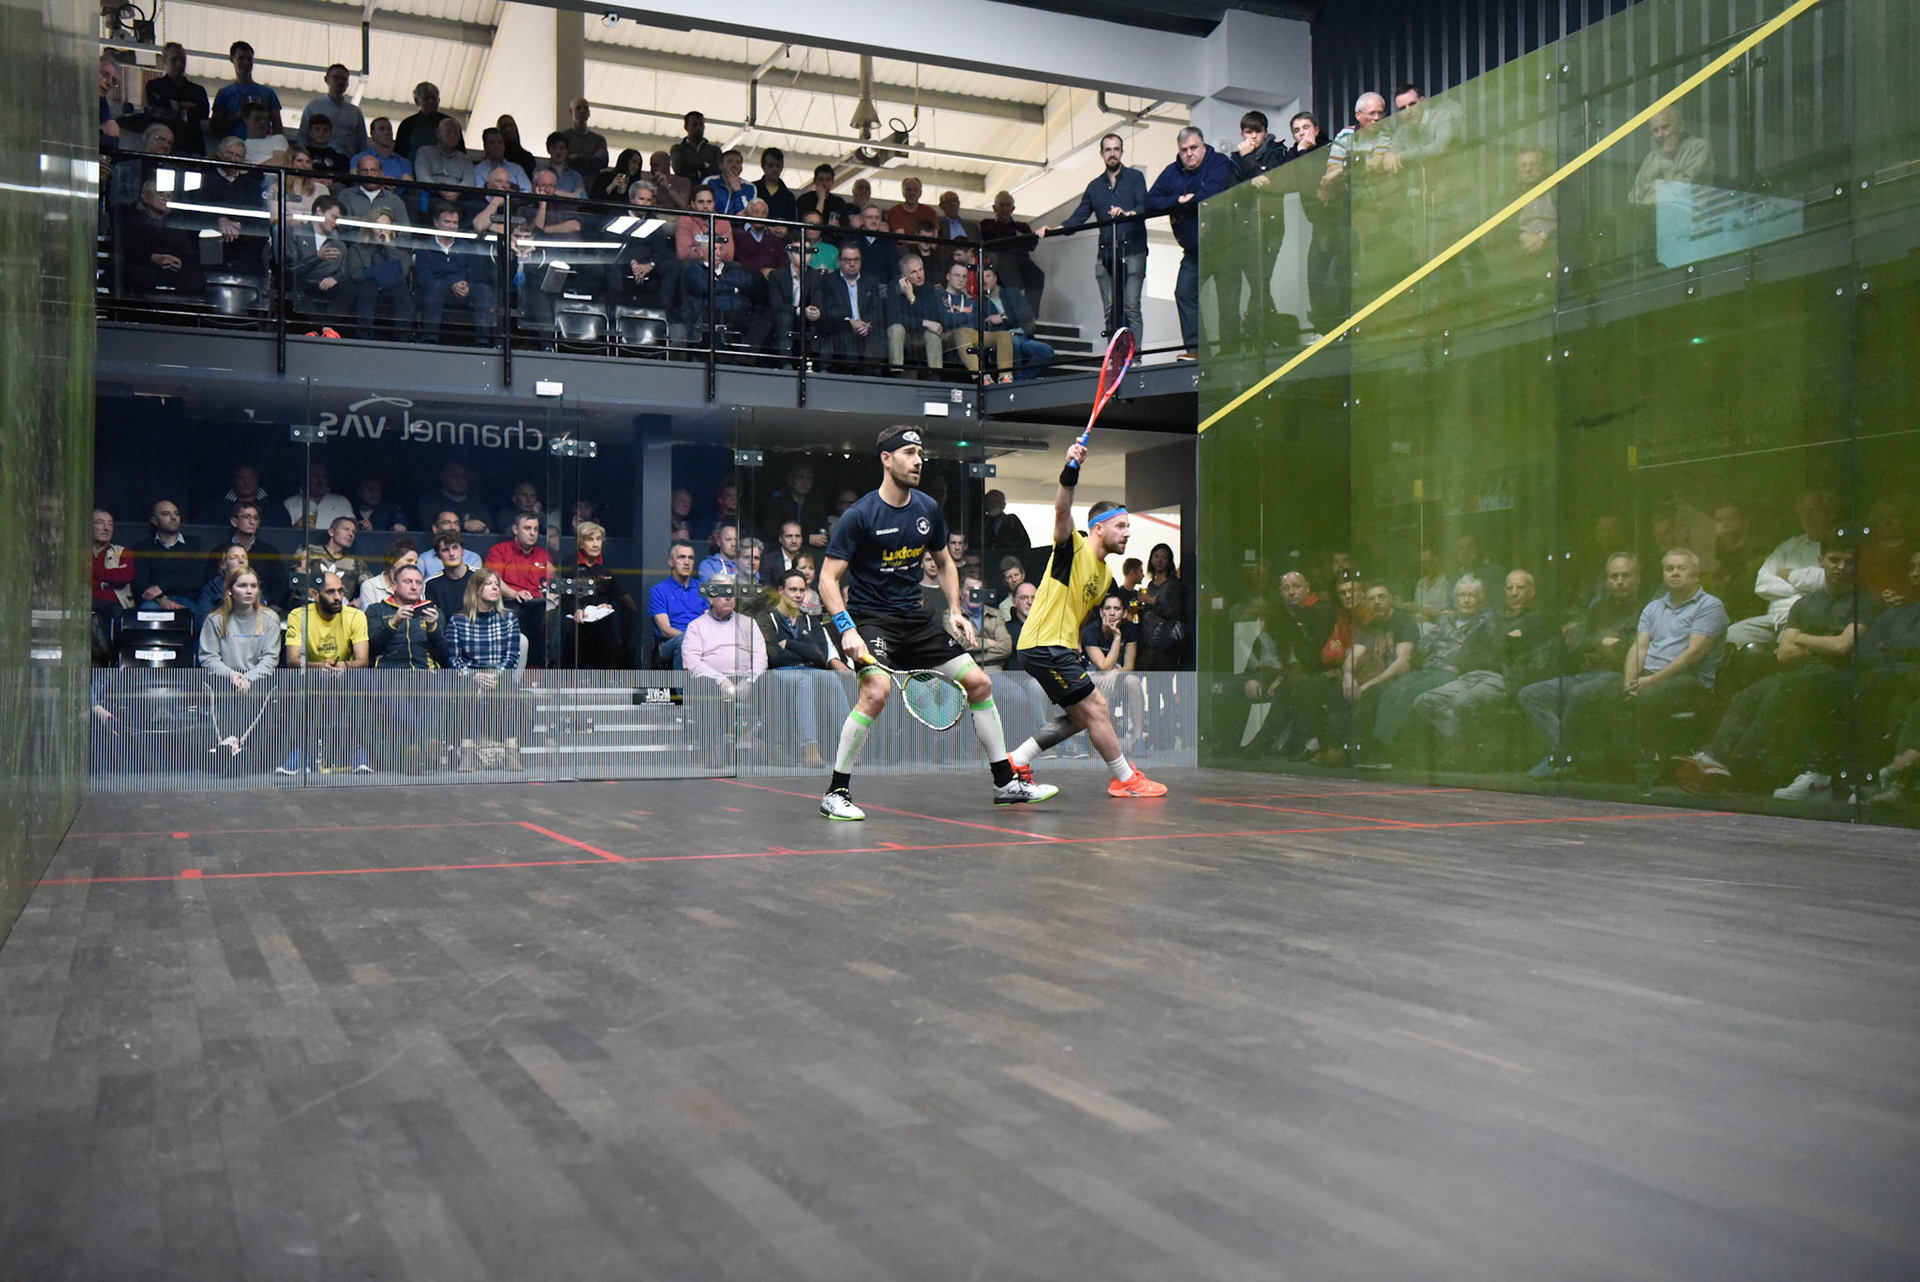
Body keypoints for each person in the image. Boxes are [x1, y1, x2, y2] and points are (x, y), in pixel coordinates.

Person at [815, 426, 1054, 819]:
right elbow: (827, 579)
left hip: (916, 623)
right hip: (872, 623)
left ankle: (1005, 783)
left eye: (920, 454)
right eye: (909, 453)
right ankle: (835, 792)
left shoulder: (926, 509)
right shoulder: (860, 516)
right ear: (886, 459)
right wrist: (848, 629)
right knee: (875, 691)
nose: (918, 461)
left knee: (979, 682)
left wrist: (956, 609)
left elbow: (944, 562)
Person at [998, 438, 1166, 797]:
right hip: (1043, 644)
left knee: (1080, 717)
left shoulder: (1105, 575)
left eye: (1128, 526)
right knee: (1097, 707)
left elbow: (1079, 610)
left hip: (1057, 647)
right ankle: (1125, 779)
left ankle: (1016, 760)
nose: (1128, 532)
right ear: (1099, 528)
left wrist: (1075, 642)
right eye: (1121, 526)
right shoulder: (1072, 547)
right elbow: (1062, 509)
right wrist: (1070, 469)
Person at [1676, 545, 1876, 799]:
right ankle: (1712, 758)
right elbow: (1785, 653)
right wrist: (1825, 642)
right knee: (1746, 696)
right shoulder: (1805, 603)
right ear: (1821, 561)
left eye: (1849, 562)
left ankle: (1733, 763)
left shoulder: (1867, 601)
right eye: (1834, 560)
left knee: (1780, 691)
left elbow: (1842, 647)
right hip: (1803, 674)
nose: (1841, 567)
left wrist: (1803, 638)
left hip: (1843, 676)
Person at [1562, 549, 1729, 774]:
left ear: (1696, 574)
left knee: (1644, 698)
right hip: (1650, 677)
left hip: (1690, 680)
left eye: (1681, 568)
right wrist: (1629, 680)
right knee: (1589, 693)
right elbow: (1638, 647)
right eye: (1669, 569)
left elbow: (1694, 654)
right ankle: (1604, 762)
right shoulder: (1654, 607)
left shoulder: (1709, 605)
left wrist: (1652, 680)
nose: (1674, 573)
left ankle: (1647, 764)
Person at [1518, 554, 1644, 777]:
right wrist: (1603, 642)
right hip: (1588, 672)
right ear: (1607, 581)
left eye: (1626, 575)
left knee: (1578, 693)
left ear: (1638, 578)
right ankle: (1567, 754)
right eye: (1614, 576)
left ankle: (1561, 756)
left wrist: (1605, 643)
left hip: (1618, 676)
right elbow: (1581, 643)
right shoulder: (1599, 609)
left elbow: (1632, 648)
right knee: (1530, 694)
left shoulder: (1647, 610)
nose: (1619, 581)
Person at [1041, 133, 1148, 341]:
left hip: (1133, 250)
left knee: (1131, 306)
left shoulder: (1135, 178)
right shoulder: (1095, 186)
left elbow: (1144, 206)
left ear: (1122, 152)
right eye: (1108, 150)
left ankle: (1134, 357)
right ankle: (1113, 355)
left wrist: (1128, 214)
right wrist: (1053, 230)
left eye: (1116, 149)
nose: (1112, 154)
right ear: (1101, 154)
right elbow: (1078, 217)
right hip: (1106, 254)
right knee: (1110, 311)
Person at [1147, 127, 1237, 360]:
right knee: (1184, 293)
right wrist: (1178, 200)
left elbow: (1214, 193)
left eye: (1194, 148)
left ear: (1203, 147)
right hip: (1194, 251)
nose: (1189, 154)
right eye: (1184, 150)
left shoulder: (1218, 162)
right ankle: (1196, 350)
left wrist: (1187, 202)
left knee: (1228, 299)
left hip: (1224, 245)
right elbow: (1150, 201)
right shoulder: (1172, 171)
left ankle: (1229, 352)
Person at [279, 571, 371, 774]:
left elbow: (362, 660)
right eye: (330, 592)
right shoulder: (299, 616)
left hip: (346, 678)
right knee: (292, 682)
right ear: (315, 594)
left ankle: (357, 751)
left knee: (365, 681)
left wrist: (344, 666)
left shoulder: (356, 616)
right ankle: (300, 753)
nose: (338, 597)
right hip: (311, 677)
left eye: (340, 591)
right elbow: (292, 660)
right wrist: (320, 667)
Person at [197, 565, 281, 758]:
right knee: (219, 691)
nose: (249, 591)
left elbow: (270, 658)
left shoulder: (270, 619)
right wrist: (231, 675)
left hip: (257, 679)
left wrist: (248, 678)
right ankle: (229, 745)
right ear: (229, 590)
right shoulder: (214, 619)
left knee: (259, 693)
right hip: (224, 678)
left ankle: (233, 745)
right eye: (242, 586)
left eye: (253, 586)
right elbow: (209, 657)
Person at [445, 570, 525, 772]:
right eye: (489, 584)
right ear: (476, 589)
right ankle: (467, 753)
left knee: (509, 689)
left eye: (496, 584)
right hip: (470, 675)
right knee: (469, 691)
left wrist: (494, 677)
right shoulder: (457, 620)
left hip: (498, 674)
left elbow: (511, 657)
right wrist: (474, 676)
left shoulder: (508, 618)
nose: (495, 587)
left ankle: (512, 752)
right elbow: (453, 659)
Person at [415, 203, 497, 345]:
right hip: (437, 293)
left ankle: (482, 341)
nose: (451, 226)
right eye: (447, 222)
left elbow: (475, 275)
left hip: (464, 292)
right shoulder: (424, 248)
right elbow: (425, 281)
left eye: (455, 223)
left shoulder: (467, 247)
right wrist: (451, 285)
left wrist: (466, 286)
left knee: (484, 290)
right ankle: (430, 339)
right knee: (435, 290)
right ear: (436, 222)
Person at [556, 521, 634, 669]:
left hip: (603, 620)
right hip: (578, 618)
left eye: (598, 539)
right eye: (590, 539)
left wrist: (610, 605)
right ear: (580, 544)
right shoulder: (569, 566)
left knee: (612, 626)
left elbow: (621, 597)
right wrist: (577, 609)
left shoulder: (609, 566)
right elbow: (566, 595)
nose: (596, 544)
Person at [484, 511, 554, 666]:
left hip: (538, 603)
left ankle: (540, 668)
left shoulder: (544, 555)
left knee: (549, 618)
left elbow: (551, 584)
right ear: (515, 530)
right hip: (510, 601)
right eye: (527, 528)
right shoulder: (499, 550)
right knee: (515, 614)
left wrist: (549, 591)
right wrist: (515, 593)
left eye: (536, 529)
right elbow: (493, 580)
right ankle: (516, 668)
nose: (532, 533)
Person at [937, 260, 1014, 384]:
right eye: (957, 275)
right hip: (947, 336)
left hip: (971, 334)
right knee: (962, 332)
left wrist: (957, 317)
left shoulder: (971, 302)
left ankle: (1005, 377)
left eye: (964, 276)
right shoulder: (938, 297)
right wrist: (966, 316)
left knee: (1003, 335)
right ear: (948, 277)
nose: (961, 279)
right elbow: (945, 320)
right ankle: (980, 376)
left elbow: (979, 324)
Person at [811, 243, 886, 368]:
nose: (852, 264)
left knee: (879, 334)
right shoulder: (828, 281)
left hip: (866, 327)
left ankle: (873, 374)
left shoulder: (870, 281)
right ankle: (852, 371)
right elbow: (828, 310)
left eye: (856, 260)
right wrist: (850, 322)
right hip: (841, 327)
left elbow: (877, 309)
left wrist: (867, 324)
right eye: (847, 260)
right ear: (839, 261)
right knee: (844, 331)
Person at [365, 564, 447, 670]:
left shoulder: (434, 612)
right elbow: (370, 650)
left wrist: (432, 628)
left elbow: (443, 657)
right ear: (394, 585)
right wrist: (393, 623)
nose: (414, 587)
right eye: (408, 582)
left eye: (418, 583)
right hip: (386, 675)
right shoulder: (376, 610)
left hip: (426, 674)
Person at [1628, 106, 1714, 206]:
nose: (1660, 134)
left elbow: (1683, 190)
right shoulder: (1651, 158)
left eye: (1665, 127)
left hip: (1683, 211)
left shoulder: (1698, 147)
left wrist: (1666, 159)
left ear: (1680, 126)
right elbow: (1635, 197)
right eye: (1655, 130)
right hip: (1648, 212)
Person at [981, 266, 1053, 380]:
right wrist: (1014, 319)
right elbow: (988, 328)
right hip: (1003, 342)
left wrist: (1003, 318)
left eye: (988, 276)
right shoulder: (980, 303)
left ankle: (1021, 381)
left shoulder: (1011, 293)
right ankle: (1020, 382)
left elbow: (1027, 313)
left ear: (995, 278)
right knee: (1012, 343)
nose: (985, 280)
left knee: (1047, 351)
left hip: (1023, 337)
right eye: (981, 277)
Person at [132, 499, 201, 617]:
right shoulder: (143, 547)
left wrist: (161, 587)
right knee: (147, 612)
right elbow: (141, 583)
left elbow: (196, 578)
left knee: (196, 616)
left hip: (186, 600)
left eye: (176, 514)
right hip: (154, 601)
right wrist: (161, 599)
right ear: (154, 521)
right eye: (166, 514)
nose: (173, 517)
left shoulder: (194, 544)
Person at [145, 42, 210, 156]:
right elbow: (155, 108)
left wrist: (171, 106)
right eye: (174, 60)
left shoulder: (198, 90)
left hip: (191, 147)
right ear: (164, 60)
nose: (179, 64)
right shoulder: (154, 86)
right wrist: (182, 107)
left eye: (183, 61)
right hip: (162, 147)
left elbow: (204, 112)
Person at [210, 40, 282, 140]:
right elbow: (215, 126)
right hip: (231, 147)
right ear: (232, 59)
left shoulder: (268, 93)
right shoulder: (224, 94)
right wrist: (240, 116)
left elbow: (278, 128)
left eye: (249, 59)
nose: (246, 63)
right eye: (241, 58)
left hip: (260, 147)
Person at [886, 254, 944, 375]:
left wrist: (911, 298)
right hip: (903, 334)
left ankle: (935, 375)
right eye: (913, 272)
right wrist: (924, 322)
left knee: (933, 335)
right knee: (896, 328)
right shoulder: (894, 287)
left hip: (920, 335)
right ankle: (896, 372)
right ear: (904, 276)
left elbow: (932, 317)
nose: (919, 275)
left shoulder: (928, 287)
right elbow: (894, 317)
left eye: (921, 270)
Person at [649, 539, 704, 667]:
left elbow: (709, 621)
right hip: (671, 642)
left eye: (690, 558)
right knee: (684, 641)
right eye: (681, 557)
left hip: (701, 640)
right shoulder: (659, 590)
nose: (687, 562)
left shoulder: (702, 589)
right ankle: (683, 682)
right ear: (671, 562)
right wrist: (692, 638)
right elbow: (665, 629)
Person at [299, 63, 369, 158]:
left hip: (346, 162)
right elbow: (303, 137)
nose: (340, 81)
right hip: (317, 160)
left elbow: (362, 143)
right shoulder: (313, 107)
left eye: (344, 79)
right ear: (326, 79)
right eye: (336, 77)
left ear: (347, 84)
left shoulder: (355, 112)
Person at [298, 516, 366, 602]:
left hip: (341, 606)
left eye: (353, 532)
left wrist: (358, 602)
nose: (351, 534)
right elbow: (298, 576)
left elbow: (370, 586)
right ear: (331, 532)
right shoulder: (309, 551)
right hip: (308, 603)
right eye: (346, 529)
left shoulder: (356, 562)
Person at [394, 82, 458, 167]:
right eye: (426, 98)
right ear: (417, 101)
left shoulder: (451, 124)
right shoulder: (408, 124)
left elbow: (460, 152)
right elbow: (399, 154)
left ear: (438, 100)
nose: (430, 101)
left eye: (433, 98)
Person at [422, 532, 477, 619]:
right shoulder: (431, 584)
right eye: (445, 550)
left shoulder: (481, 577)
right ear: (438, 555)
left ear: (462, 551)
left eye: (455, 548)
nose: (451, 553)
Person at [356, 539, 420, 609]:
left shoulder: (416, 585)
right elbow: (370, 615)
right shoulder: (371, 586)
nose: (413, 565)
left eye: (416, 562)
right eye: (409, 560)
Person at [559, 97, 609, 185]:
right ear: (571, 112)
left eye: (585, 108)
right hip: (566, 186)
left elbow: (602, 163)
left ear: (589, 113)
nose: (582, 111)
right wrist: (591, 159)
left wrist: (576, 157)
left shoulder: (599, 140)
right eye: (578, 108)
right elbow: (560, 160)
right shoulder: (562, 137)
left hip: (590, 187)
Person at [352, 115, 413, 182]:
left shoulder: (404, 163)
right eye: (381, 129)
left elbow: (408, 185)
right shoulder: (358, 159)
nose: (386, 133)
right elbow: (355, 182)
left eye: (389, 129)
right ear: (372, 133)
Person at [473, 126, 533, 192]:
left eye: (500, 142)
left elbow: (527, 190)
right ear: (485, 147)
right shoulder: (477, 170)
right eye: (491, 142)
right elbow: (479, 192)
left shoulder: (516, 169)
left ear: (504, 146)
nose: (496, 146)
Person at [670, 111, 722, 185]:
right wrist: (705, 165)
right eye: (694, 124)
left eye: (701, 125)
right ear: (686, 127)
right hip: (685, 189)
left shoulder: (714, 150)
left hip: (708, 189)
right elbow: (679, 168)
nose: (698, 128)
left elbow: (718, 170)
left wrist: (694, 172)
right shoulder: (677, 149)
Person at [795, 163, 852, 229]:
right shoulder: (804, 200)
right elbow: (808, 222)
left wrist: (837, 226)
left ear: (832, 182)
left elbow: (845, 226)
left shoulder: (838, 202)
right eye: (821, 179)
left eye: (827, 179)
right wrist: (821, 199)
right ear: (815, 181)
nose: (824, 183)